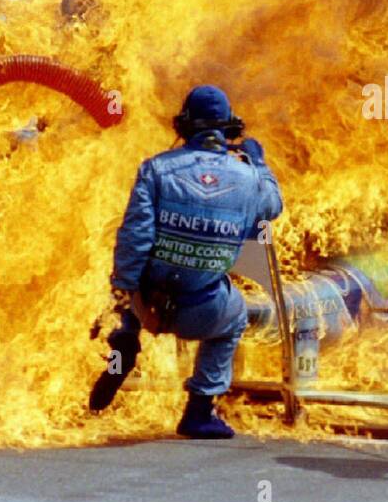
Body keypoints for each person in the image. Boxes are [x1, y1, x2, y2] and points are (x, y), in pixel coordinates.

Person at [90, 85, 283, 439]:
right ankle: (199, 411)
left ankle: (125, 338)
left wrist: (125, 297)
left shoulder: (155, 169)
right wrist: (259, 163)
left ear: (183, 126)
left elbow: (135, 238)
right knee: (236, 315)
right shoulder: (249, 178)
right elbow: (273, 206)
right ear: (228, 129)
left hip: (145, 303)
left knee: (125, 276)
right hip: (202, 310)